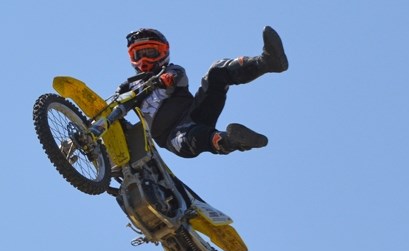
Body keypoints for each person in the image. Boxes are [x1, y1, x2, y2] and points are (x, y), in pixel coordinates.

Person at [115, 26, 288, 158]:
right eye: (138, 54)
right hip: (171, 135)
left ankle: (266, 62)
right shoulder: (128, 85)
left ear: (163, 52)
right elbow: (113, 102)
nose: (144, 59)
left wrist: (166, 78)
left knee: (216, 71)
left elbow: (176, 75)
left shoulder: (171, 70)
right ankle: (230, 140)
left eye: (150, 52)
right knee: (191, 137)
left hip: (195, 112)